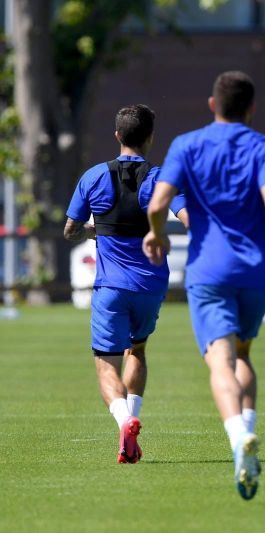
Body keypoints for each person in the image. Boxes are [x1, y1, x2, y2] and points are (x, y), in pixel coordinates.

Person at [143, 71, 265, 500]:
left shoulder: (187, 144)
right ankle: (250, 431)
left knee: (219, 361)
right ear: (252, 108)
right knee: (243, 352)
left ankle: (238, 436)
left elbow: (159, 203)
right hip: (259, 269)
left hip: (209, 270)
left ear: (212, 104)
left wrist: (156, 232)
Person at [64, 104, 188, 463]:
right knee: (138, 350)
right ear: (151, 137)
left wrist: (97, 230)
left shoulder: (93, 177)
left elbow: (70, 230)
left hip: (111, 288)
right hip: (151, 285)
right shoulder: (164, 179)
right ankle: (133, 417)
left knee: (106, 364)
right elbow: (190, 218)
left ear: (117, 135)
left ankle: (125, 419)